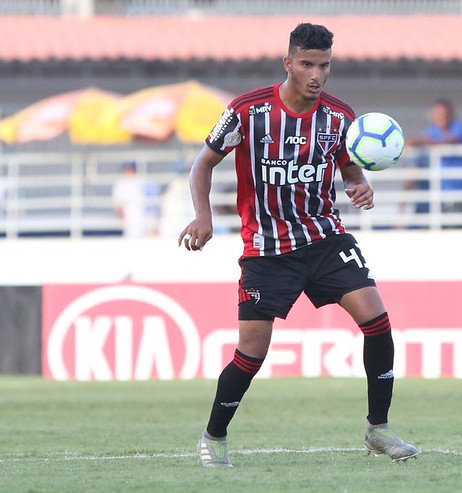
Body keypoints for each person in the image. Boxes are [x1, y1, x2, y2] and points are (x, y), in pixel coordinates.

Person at [178, 23, 418, 468]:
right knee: (251, 353)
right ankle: (214, 436)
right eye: (306, 64)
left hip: (325, 239)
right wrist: (203, 214)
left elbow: (351, 171)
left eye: (323, 65)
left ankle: (378, 428)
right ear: (288, 62)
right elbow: (202, 164)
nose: (315, 74)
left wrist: (360, 187)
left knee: (378, 320)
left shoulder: (340, 118)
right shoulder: (247, 112)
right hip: (267, 250)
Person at [406, 98, 462, 227]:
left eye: (443, 114)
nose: (441, 117)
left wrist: (420, 141)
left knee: (457, 230)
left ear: (450, 114)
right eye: (437, 114)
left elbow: (449, 140)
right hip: (442, 192)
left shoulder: (460, 127)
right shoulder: (431, 130)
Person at [112, 161, 158, 238]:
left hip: (143, 219)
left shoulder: (141, 181)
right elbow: (119, 207)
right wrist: (122, 221)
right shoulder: (120, 184)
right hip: (129, 220)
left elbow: (152, 201)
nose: (129, 171)